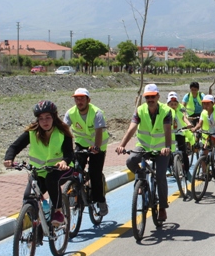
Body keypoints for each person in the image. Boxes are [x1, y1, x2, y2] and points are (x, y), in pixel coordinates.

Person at [4, 101, 73, 226]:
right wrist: (9, 158)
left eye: (48, 117)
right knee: (28, 198)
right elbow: (14, 147)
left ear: (54, 117)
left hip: (61, 170)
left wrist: (64, 161)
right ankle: (38, 227)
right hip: (40, 171)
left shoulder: (62, 132)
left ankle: (58, 212)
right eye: (41, 118)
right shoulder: (32, 132)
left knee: (51, 180)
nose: (44, 121)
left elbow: (69, 153)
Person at [115, 84, 172, 221]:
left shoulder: (166, 111)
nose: (150, 99)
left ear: (158, 96)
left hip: (161, 148)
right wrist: (122, 145)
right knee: (130, 160)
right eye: (148, 97)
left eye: (153, 96)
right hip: (144, 145)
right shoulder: (140, 110)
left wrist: (167, 147)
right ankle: (141, 178)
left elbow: (167, 131)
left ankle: (163, 207)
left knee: (160, 176)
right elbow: (132, 128)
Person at [64, 88, 110, 216]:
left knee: (95, 173)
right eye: (77, 99)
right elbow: (64, 131)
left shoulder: (96, 113)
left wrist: (96, 147)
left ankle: (101, 202)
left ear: (88, 100)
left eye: (82, 98)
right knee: (75, 168)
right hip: (81, 144)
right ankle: (76, 189)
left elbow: (99, 132)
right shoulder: (70, 113)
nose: (79, 101)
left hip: (98, 145)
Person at [191, 94, 215, 176]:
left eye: (208, 103)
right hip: (211, 135)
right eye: (204, 104)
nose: (205, 105)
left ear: (213, 104)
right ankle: (205, 172)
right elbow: (200, 124)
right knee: (204, 152)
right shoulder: (203, 113)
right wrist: (195, 129)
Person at [167, 92, 192, 180]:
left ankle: (186, 171)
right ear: (168, 104)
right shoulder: (166, 112)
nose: (173, 106)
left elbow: (184, 118)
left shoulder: (179, 112)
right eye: (171, 104)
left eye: (175, 104)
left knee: (183, 152)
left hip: (179, 133)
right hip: (169, 134)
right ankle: (169, 166)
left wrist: (188, 124)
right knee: (168, 151)